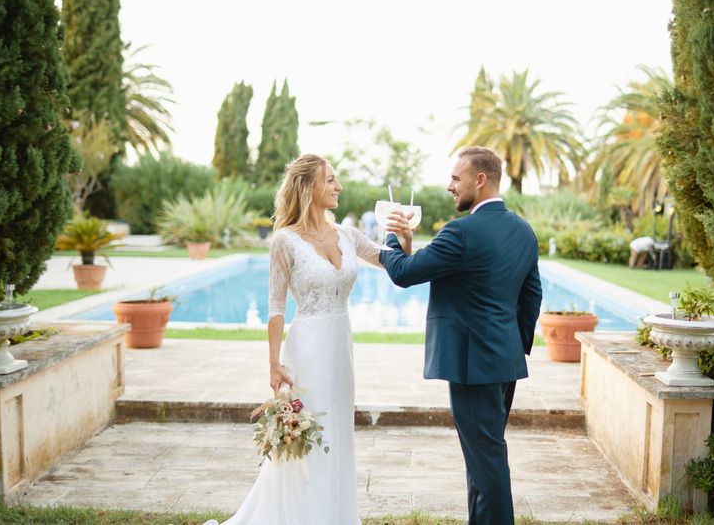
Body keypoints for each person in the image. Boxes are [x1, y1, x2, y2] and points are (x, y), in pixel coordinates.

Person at [205, 154, 411, 525]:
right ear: (309, 187)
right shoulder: (284, 241)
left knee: (337, 432)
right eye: (330, 180)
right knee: (306, 436)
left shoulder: (348, 236)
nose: (339, 187)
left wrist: (405, 239)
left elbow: (390, 261)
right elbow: (275, 305)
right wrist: (273, 364)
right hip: (306, 350)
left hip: (339, 348)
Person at [379, 146, 543, 525]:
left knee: (487, 463)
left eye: (456, 178)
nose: (449, 186)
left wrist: (390, 239)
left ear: (480, 180)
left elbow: (404, 273)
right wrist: (513, 346)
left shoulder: (461, 232)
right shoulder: (523, 230)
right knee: (482, 458)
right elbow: (531, 295)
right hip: (504, 361)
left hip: (474, 367)